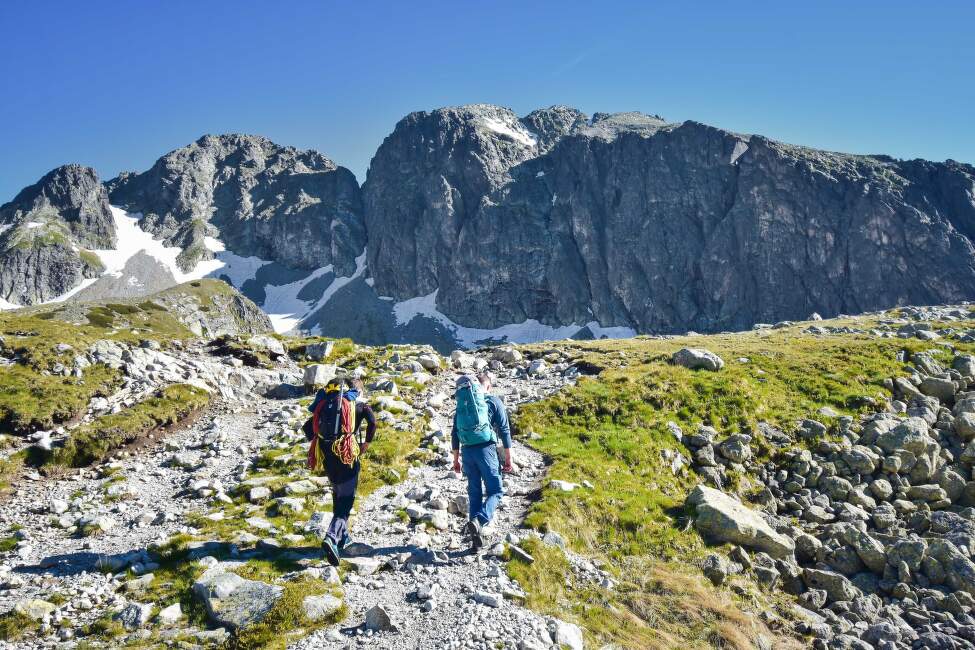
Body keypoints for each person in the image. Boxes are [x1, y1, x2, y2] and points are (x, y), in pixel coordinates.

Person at [305, 377, 376, 566]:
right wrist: (366, 443)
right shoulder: (358, 406)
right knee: (346, 500)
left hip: (328, 458)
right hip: (347, 457)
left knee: (338, 494)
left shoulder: (325, 405)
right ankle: (332, 537)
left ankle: (343, 537)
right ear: (356, 391)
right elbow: (373, 422)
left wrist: (324, 442)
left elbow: (307, 428)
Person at [451, 370, 512, 549]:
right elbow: (504, 430)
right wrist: (509, 458)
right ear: (488, 386)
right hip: (486, 450)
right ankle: (480, 520)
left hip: (467, 451)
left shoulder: (463, 405)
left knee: (475, 493)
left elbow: (454, 433)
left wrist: (456, 459)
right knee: (496, 491)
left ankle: (474, 544)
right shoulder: (494, 401)